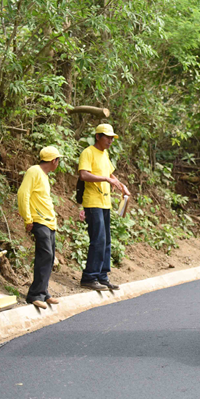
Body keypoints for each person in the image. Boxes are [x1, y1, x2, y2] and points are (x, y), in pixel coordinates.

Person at [78, 123, 130, 291]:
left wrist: (122, 186)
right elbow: (84, 174)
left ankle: (102, 276)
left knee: (106, 240)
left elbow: (110, 174)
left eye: (112, 138)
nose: (110, 141)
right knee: (98, 239)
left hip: (105, 203)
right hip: (92, 202)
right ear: (98, 137)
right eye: (107, 137)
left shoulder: (105, 153)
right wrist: (106, 180)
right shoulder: (88, 152)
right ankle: (89, 277)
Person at [17, 146, 63, 309]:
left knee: (49, 258)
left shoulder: (44, 176)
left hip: (49, 223)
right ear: (53, 161)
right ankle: (34, 294)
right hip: (39, 221)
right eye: (58, 160)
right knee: (45, 255)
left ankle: (43, 292)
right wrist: (27, 219)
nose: (58, 163)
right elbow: (23, 194)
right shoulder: (34, 171)